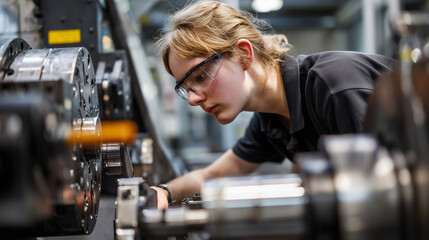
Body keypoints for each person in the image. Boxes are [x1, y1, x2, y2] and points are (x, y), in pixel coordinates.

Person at [152, 0, 397, 209]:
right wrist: (162, 192)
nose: (193, 99)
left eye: (201, 76)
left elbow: (383, 197)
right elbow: (212, 176)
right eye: (186, 89)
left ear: (243, 54)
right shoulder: (269, 122)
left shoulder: (331, 86)